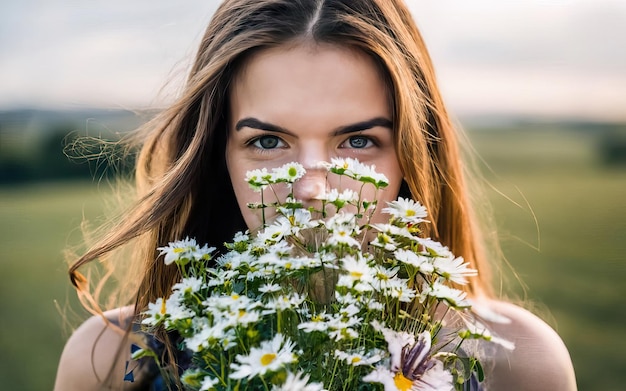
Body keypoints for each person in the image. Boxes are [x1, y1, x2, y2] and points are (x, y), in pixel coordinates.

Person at [54, 0, 577, 390]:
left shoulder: (516, 365)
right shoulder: (109, 362)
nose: (311, 188)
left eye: (358, 141)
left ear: (415, 155)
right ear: (218, 157)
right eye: (266, 141)